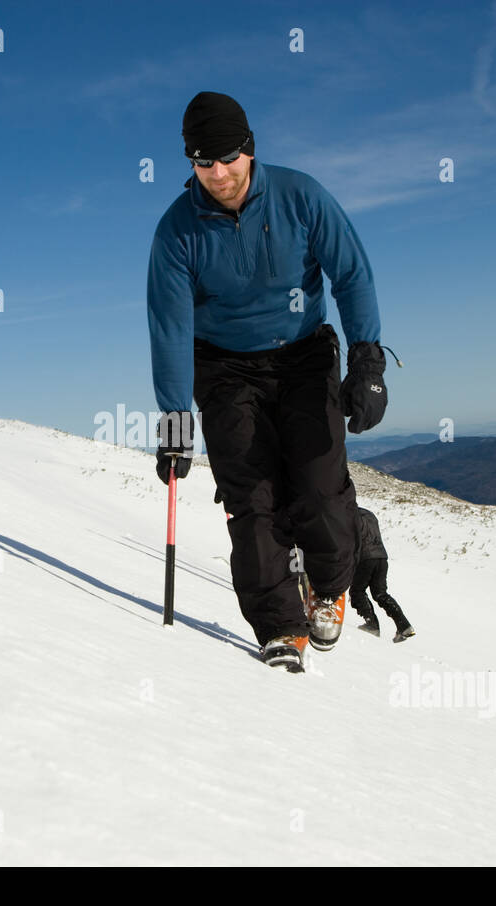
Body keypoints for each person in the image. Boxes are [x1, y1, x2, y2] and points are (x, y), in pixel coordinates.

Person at [147, 91, 392, 672]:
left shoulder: (300, 195)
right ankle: (280, 627)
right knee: (250, 500)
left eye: (228, 157)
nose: (218, 173)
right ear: (191, 164)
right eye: (203, 162)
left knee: (320, 486)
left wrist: (368, 362)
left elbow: (351, 274)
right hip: (225, 368)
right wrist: (176, 421)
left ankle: (329, 587)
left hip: (304, 356)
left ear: (249, 150)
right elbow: (169, 329)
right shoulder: (176, 232)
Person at [350, 507, 415, 642]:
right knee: (380, 593)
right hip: (381, 557)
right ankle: (404, 625)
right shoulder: (369, 514)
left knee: (357, 591)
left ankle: (371, 624)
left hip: (365, 558)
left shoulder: (349, 516)